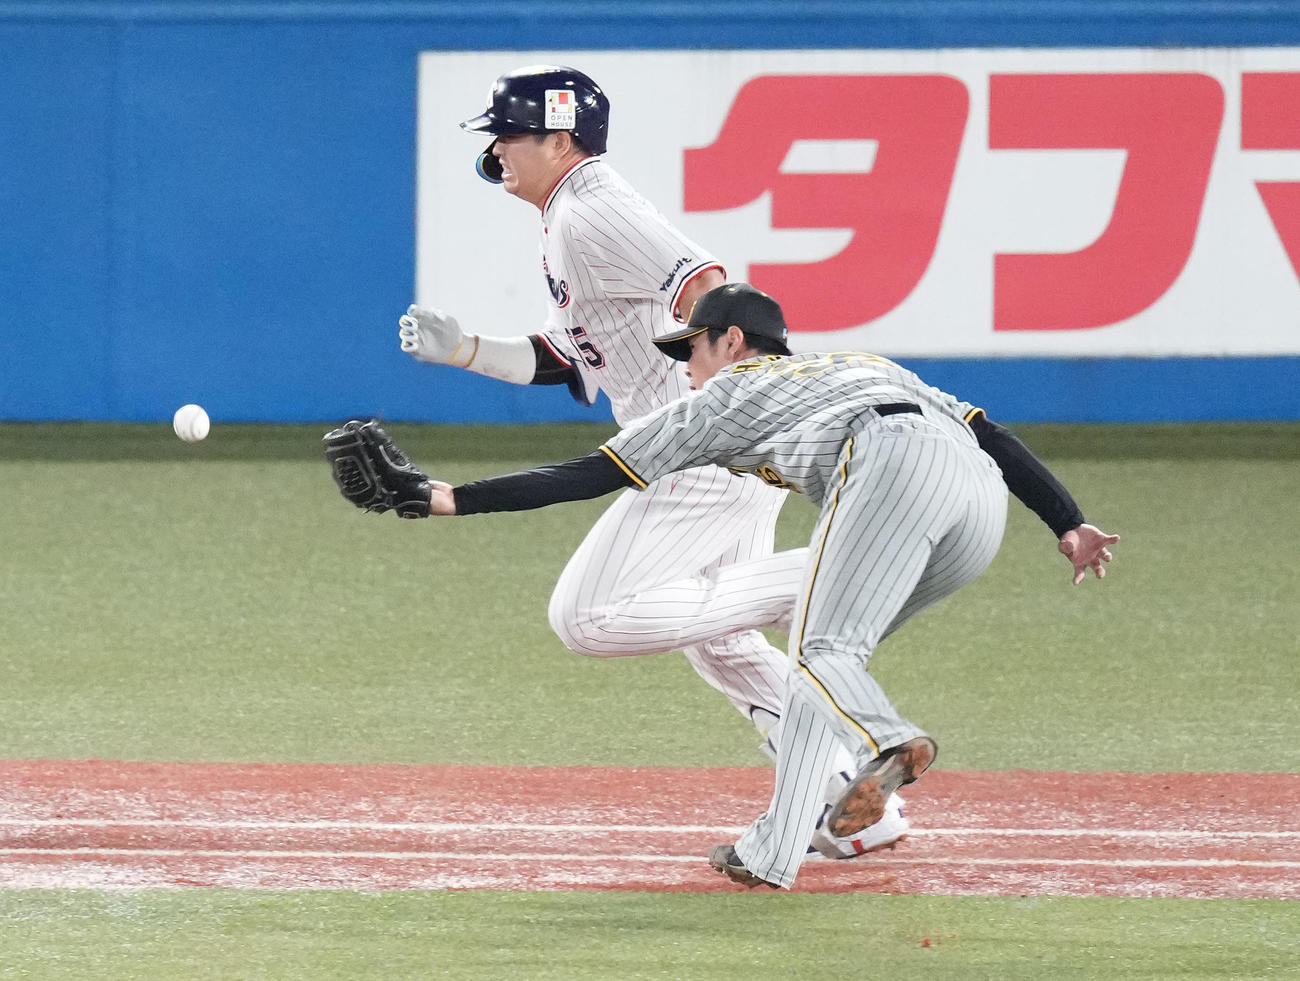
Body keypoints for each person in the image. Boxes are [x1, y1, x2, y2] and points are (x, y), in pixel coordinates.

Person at [383, 282, 1120, 889]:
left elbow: (588, 473)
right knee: (815, 668)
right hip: (978, 505)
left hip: (889, 465)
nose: (687, 365)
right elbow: (990, 433)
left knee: (825, 649)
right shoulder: (865, 363)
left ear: (732, 341)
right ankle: (774, 850)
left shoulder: (725, 396)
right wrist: (1068, 521)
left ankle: (892, 740)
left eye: (692, 347)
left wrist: (451, 496)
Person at [397, 65, 908, 858]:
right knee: (727, 646)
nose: (497, 145)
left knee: (588, 618)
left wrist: (722, 401)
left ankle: (819, 575)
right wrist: (464, 349)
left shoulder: (594, 208)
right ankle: (849, 796)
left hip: (695, 452)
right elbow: (562, 356)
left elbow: (703, 279)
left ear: (559, 140)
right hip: (716, 449)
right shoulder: (568, 214)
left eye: (509, 131)